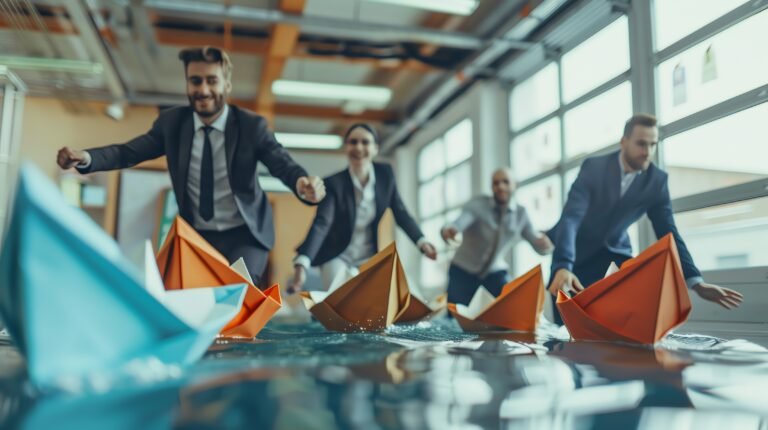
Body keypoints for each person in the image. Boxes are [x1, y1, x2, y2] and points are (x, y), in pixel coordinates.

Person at [56, 46, 325, 285]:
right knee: (182, 298)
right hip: (196, 233)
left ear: (227, 85)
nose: (203, 90)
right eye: (195, 81)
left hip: (245, 234)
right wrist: (86, 158)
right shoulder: (172, 124)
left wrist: (301, 183)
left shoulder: (251, 126)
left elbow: (282, 164)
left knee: (240, 293)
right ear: (187, 84)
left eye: (212, 81)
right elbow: (129, 152)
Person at [547, 113, 743, 322]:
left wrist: (695, 281)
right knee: (567, 337)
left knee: (618, 333)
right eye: (641, 144)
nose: (647, 152)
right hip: (574, 259)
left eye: (652, 144)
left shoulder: (657, 181)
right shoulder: (594, 168)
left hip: (614, 260)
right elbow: (571, 218)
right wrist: (563, 265)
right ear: (624, 142)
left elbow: (668, 232)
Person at [289, 123, 438, 292]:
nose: (359, 147)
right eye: (353, 142)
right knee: (337, 301)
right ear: (346, 147)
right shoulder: (333, 183)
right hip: (336, 255)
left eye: (365, 142)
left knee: (390, 297)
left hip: (368, 256)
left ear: (375, 148)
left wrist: (422, 241)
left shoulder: (385, 175)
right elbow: (322, 223)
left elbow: (400, 212)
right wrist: (302, 263)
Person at [440, 168, 553, 305]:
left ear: (515, 185)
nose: (500, 186)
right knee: (455, 318)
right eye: (496, 183)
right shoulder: (477, 204)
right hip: (462, 271)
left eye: (505, 182)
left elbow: (537, 243)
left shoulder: (521, 214)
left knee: (510, 305)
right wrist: (450, 230)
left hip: (494, 272)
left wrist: (545, 245)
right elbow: (458, 224)